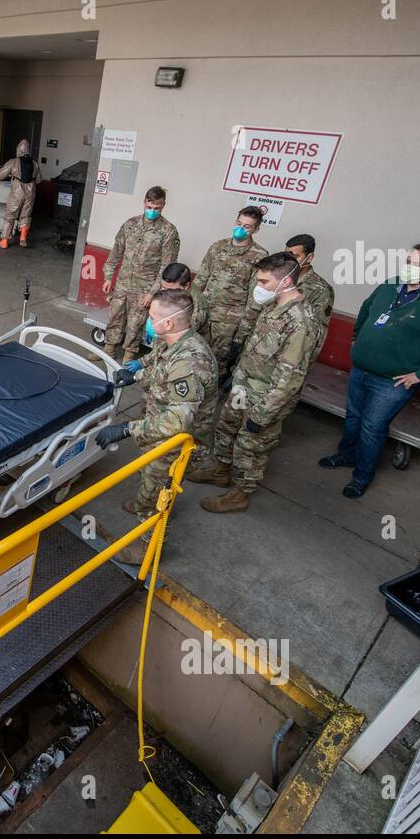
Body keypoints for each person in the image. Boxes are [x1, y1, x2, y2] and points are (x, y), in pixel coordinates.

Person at [319, 242, 420, 497]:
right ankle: (346, 455)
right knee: (353, 416)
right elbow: (367, 309)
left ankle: (362, 477)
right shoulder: (391, 285)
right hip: (361, 368)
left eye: (418, 264)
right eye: (409, 261)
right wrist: (357, 338)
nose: (409, 267)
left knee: (372, 427)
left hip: (392, 382)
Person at [190, 253, 321, 513]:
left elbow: (289, 378)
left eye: (264, 282)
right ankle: (220, 471)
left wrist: (262, 415)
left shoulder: (301, 323)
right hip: (243, 387)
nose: (258, 287)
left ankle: (240, 494)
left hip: (264, 399)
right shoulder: (273, 305)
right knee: (226, 430)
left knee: (250, 447)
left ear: (285, 282)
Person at [95, 290, 217, 563]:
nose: (147, 322)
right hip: (157, 428)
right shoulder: (174, 342)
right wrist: (136, 376)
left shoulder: (190, 362)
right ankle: (144, 502)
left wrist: (127, 429)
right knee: (149, 479)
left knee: (159, 488)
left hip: (173, 441)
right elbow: (161, 370)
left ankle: (148, 547)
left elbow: (179, 420)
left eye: (151, 317)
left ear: (169, 322)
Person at [100, 186, 181, 363]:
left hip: (145, 287)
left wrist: (153, 292)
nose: (152, 211)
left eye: (157, 208)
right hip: (122, 283)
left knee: (135, 323)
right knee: (114, 316)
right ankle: (108, 350)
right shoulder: (130, 224)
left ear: (163, 205)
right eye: (150, 206)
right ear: (144, 202)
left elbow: (166, 267)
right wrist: (108, 276)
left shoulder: (168, 231)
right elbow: (116, 252)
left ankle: (128, 357)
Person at [232, 233, 334, 367]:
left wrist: (300, 366)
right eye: (287, 254)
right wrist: (241, 339)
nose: (290, 260)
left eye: (295, 256)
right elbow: (256, 309)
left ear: (309, 257)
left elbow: (315, 334)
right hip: (255, 349)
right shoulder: (274, 278)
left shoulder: (320, 290)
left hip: (278, 360)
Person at [196, 206, 268, 374]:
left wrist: (242, 333)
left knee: (216, 364)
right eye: (239, 223)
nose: (240, 229)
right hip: (203, 314)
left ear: (256, 229)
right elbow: (200, 280)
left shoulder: (259, 256)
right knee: (194, 356)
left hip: (228, 324)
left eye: (247, 227)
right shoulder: (218, 247)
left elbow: (255, 299)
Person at [0, 138, 41, 249]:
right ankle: (23, 238)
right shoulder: (34, 163)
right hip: (30, 192)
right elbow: (38, 180)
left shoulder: (13, 162)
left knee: (10, 216)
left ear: (18, 150)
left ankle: (4, 241)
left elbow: (0, 175)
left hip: (17, 192)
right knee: (26, 215)